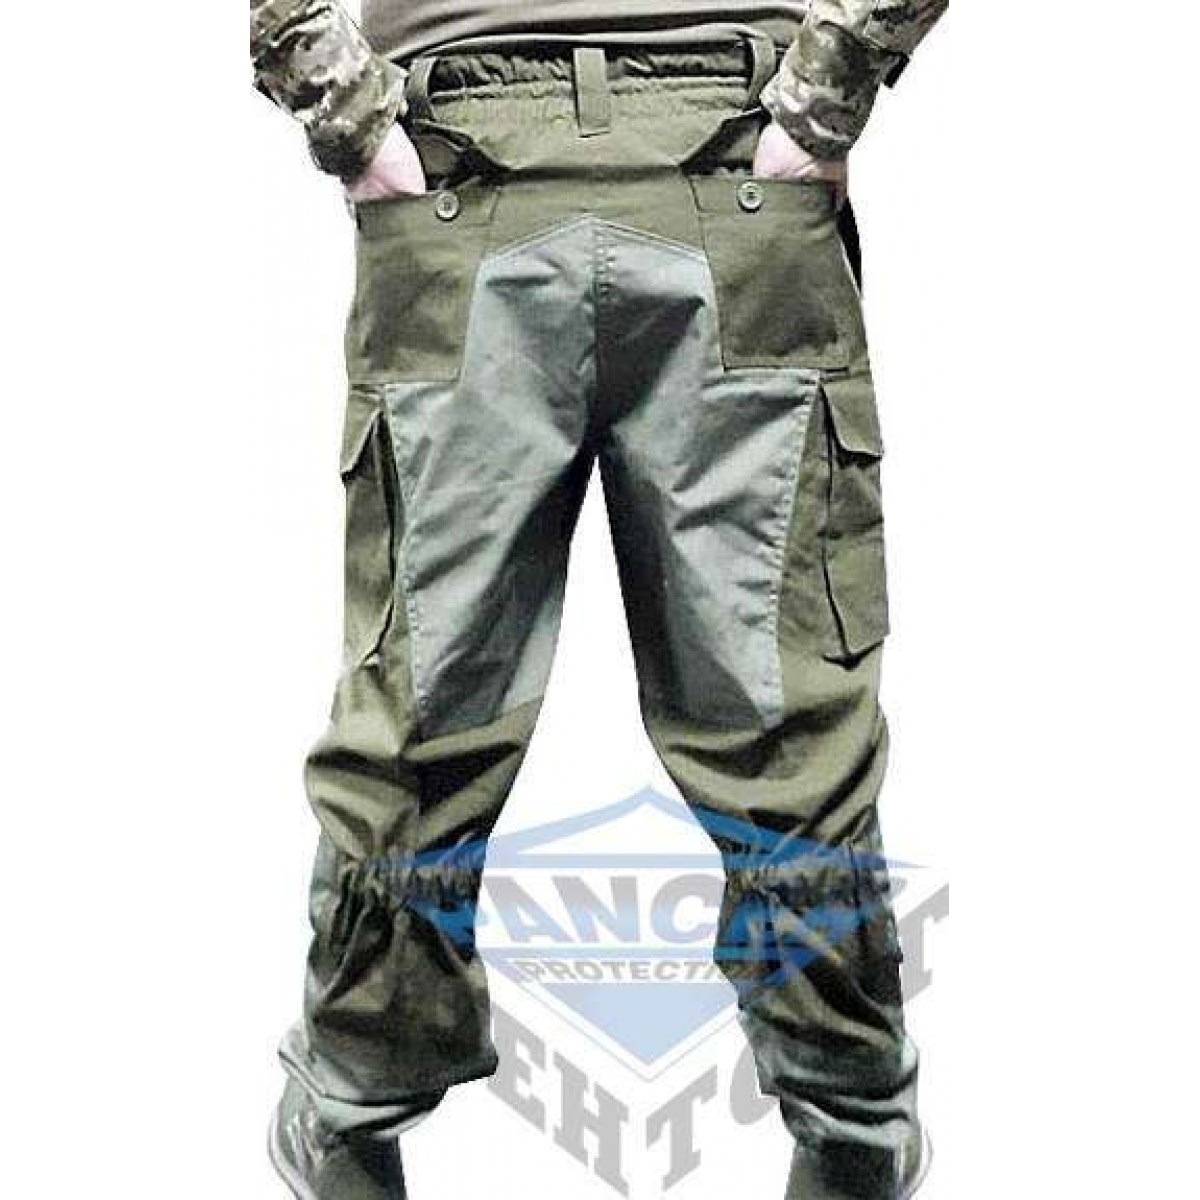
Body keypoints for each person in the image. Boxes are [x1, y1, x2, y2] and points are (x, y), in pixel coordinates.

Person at [249, 3, 947, 1197]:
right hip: (719, 178)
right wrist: (828, 87)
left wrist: (343, 108)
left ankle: (354, 1109)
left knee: (423, 712)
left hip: (483, 178)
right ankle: (854, 1126)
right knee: (782, 720)